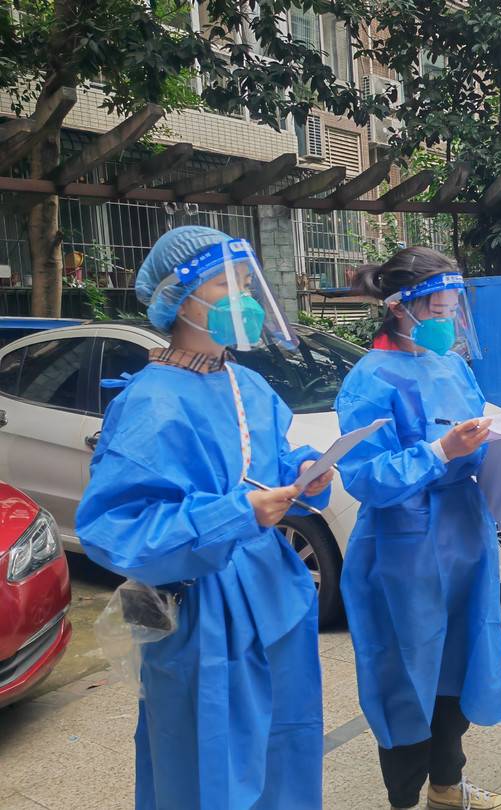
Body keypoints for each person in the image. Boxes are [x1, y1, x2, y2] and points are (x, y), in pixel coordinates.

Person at [75, 226, 334, 809]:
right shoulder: (150, 402)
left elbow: (267, 459)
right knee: (203, 767)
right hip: (200, 612)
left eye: (246, 283)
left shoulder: (248, 384)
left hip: (275, 596)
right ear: (179, 297)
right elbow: (117, 529)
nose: (243, 297)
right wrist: (234, 515)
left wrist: (305, 471)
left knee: (286, 748)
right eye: (225, 284)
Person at [334, 248, 501, 810]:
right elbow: (365, 476)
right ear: (399, 307)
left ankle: (447, 786)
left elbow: (475, 437)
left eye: (453, 310)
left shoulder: (452, 366)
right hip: (404, 549)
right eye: (437, 309)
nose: (447, 321)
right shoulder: (369, 380)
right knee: (406, 679)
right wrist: (438, 452)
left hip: (463, 536)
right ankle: (405, 798)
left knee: (458, 667)